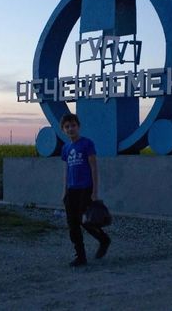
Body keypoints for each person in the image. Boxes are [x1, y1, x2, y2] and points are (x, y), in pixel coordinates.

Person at [60, 113, 111, 267]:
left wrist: (95, 191)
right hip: (71, 190)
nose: (70, 129)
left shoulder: (87, 144)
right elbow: (67, 170)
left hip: (86, 189)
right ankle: (80, 256)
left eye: (73, 125)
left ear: (78, 126)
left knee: (87, 221)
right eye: (67, 127)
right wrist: (64, 191)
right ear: (63, 130)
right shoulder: (66, 148)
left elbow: (94, 167)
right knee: (72, 224)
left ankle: (103, 239)